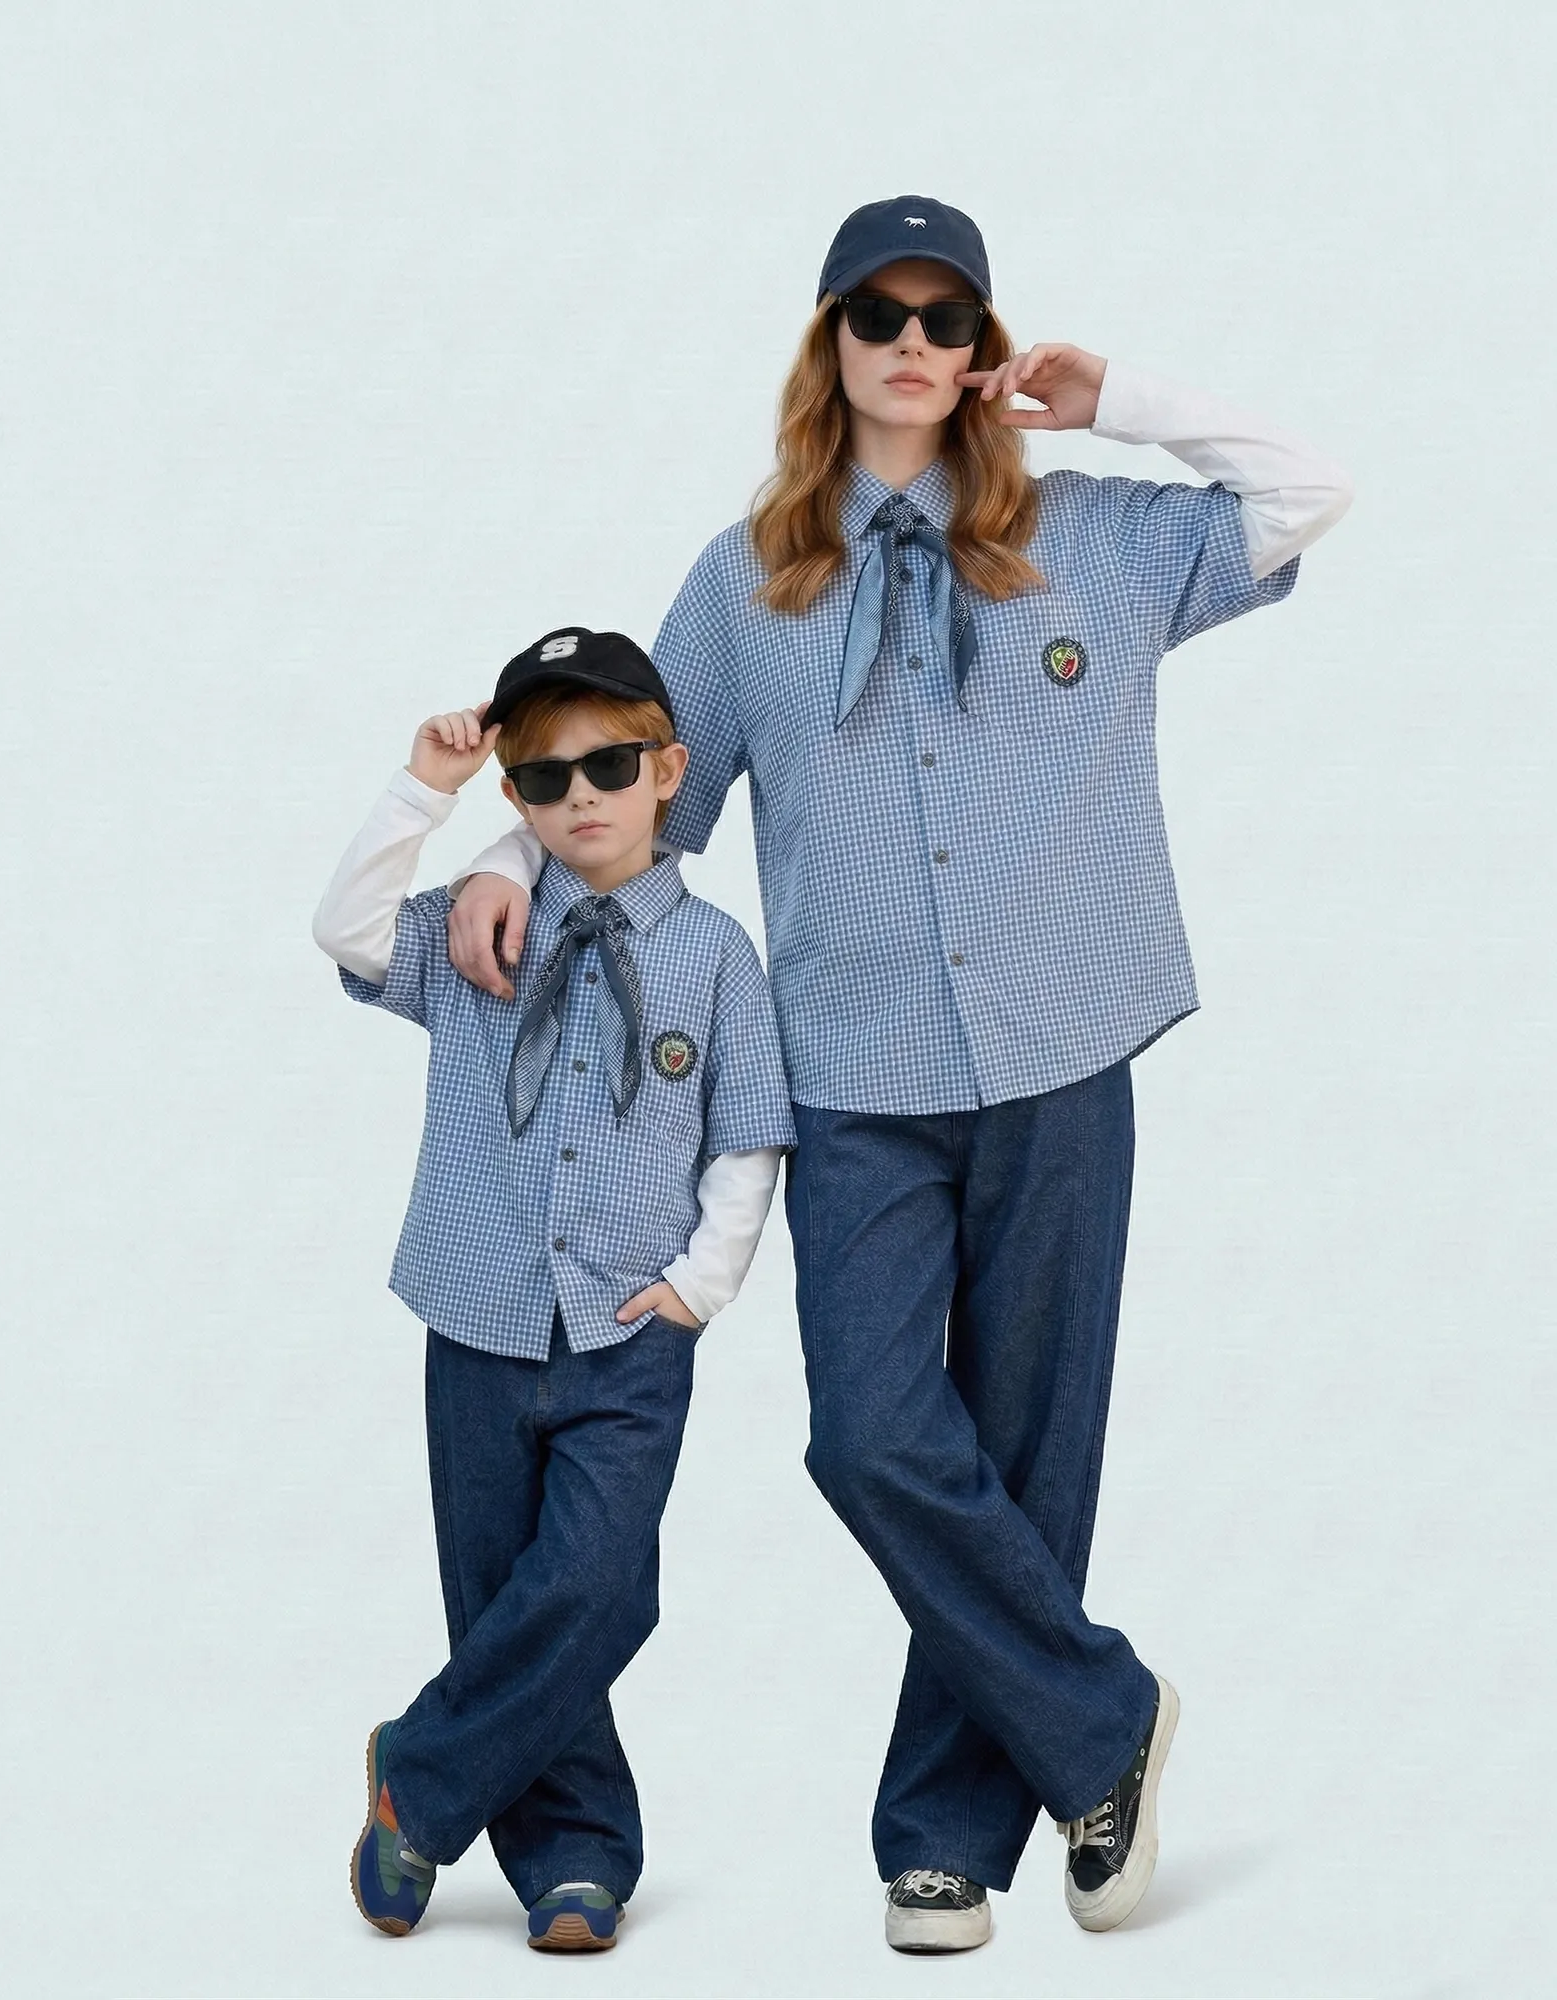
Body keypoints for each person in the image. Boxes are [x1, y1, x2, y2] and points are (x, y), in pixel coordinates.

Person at [447, 196, 1354, 1952]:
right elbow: (644, 796)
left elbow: (1312, 494)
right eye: (884, 312)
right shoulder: (749, 581)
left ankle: (953, 1830)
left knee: (1026, 1448)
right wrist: (503, 853)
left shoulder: (1090, 538)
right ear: (833, 340)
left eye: (952, 315)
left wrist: (1126, 396)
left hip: (1068, 1048)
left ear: (985, 341)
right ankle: (1107, 1721)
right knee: (872, 1437)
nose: (918, 343)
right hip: (854, 1076)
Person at [312, 627, 795, 1951]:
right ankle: (573, 1857)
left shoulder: (715, 955)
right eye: (542, 778)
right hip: (474, 1314)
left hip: (631, 1331)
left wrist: (704, 1285)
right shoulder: (484, 933)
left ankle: (416, 1779)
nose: (579, 794)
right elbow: (345, 931)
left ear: (667, 771)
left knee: (596, 1584)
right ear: (514, 799)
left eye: (611, 763)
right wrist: (428, 793)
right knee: (502, 1594)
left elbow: (749, 1132)